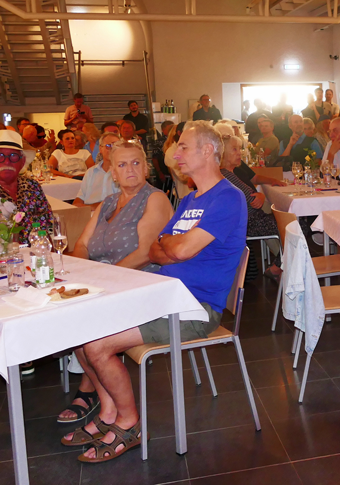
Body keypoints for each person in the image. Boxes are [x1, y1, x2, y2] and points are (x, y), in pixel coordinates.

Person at [65, 122, 246, 464]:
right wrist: (171, 245)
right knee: (81, 327)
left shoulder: (228, 197)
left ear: (208, 150)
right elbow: (156, 249)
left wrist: (171, 245)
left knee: (98, 345)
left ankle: (128, 424)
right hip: (164, 295)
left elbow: (178, 250)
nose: (176, 155)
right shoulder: (190, 199)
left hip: (196, 307)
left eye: (184, 147)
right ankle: (108, 413)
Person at [57, 140, 173, 426]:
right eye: (122, 164)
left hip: (141, 285)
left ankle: (104, 403)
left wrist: (102, 281)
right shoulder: (108, 203)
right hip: (106, 286)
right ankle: (106, 402)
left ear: (146, 168)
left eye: (136, 163)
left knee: (82, 326)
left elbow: (145, 253)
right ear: (113, 173)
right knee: (71, 323)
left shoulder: (154, 199)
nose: (130, 169)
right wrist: (82, 274)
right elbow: (82, 244)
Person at [220, 131, 282, 278]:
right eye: (234, 149)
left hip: (252, 220)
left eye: (239, 149)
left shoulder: (230, 173)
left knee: (294, 227)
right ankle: (280, 266)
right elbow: (252, 199)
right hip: (249, 223)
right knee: (295, 228)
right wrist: (259, 195)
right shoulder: (226, 175)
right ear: (222, 154)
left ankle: (281, 265)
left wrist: (259, 195)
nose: (239, 153)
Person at [73, 132, 121, 208]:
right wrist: (76, 207)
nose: (113, 149)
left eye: (116, 146)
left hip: (112, 213)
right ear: (100, 149)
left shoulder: (123, 172)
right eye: (109, 146)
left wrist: (90, 207)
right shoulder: (91, 172)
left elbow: (120, 202)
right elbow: (81, 196)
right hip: (87, 211)